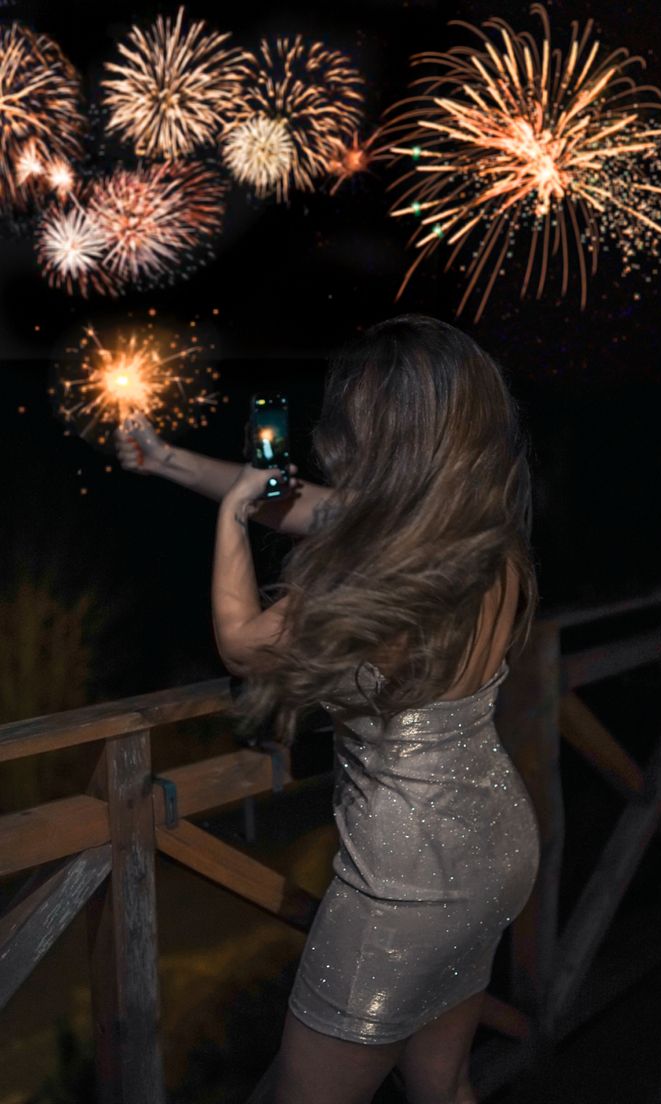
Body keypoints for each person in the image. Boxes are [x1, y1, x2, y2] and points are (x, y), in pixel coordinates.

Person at [114, 313, 541, 1104]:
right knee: (443, 1086)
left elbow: (243, 643)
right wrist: (172, 463)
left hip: (403, 887)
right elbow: (307, 504)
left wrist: (230, 521)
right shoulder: (479, 538)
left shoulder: (381, 573)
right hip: (496, 850)